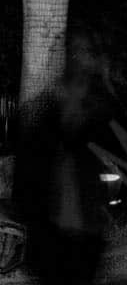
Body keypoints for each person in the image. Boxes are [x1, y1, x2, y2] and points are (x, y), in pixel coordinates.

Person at [14, 27, 120, 285]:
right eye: (74, 51)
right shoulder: (44, 106)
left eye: (84, 51)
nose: (79, 58)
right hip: (50, 225)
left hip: (85, 225)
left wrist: (114, 212)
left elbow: (125, 154)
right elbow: (27, 166)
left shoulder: (100, 107)